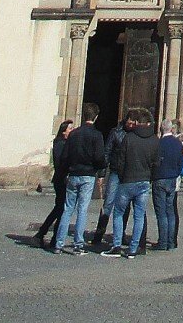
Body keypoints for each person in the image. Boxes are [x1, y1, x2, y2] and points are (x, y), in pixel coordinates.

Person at [103, 107, 159, 259]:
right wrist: (150, 177)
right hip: (144, 182)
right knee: (139, 215)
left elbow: (121, 160)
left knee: (118, 213)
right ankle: (134, 248)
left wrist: (122, 176)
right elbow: (156, 163)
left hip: (127, 181)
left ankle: (116, 245)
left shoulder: (129, 138)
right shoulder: (155, 140)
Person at [53, 103, 106, 253]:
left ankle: (59, 244)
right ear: (96, 117)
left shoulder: (74, 134)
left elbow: (65, 156)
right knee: (82, 210)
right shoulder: (97, 135)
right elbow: (100, 157)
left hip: (73, 174)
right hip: (88, 175)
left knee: (67, 209)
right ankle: (78, 244)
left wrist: (66, 171)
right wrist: (99, 168)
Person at [35, 119, 74, 249]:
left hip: (61, 179)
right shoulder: (60, 144)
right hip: (61, 179)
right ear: (63, 132)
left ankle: (44, 232)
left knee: (59, 208)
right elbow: (61, 163)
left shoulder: (63, 143)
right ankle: (50, 235)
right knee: (61, 208)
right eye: (70, 128)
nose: (72, 130)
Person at [90, 117, 128, 249]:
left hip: (128, 174)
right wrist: (101, 173)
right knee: (108, 203)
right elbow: (107, 152)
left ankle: (120, 234)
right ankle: (99, 234)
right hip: (115, 172)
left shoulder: (134, 134)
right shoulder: (115, 133)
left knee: (125, 205)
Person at [151, 121, 183, 251]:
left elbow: (154, 162)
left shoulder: (158, 143)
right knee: (170, 212)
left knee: (161, 212)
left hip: (160, 179)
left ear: (161, 129)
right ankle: (171, 242)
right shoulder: (178, 143)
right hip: (172, 179)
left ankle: (163, 242)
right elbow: (181, 162)